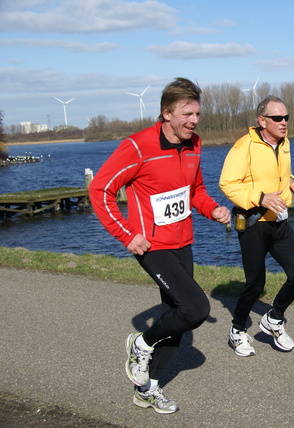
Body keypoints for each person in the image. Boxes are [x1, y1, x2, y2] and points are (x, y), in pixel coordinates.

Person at [88, 77, 230, 414]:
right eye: (187, 113)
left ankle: (147, 388)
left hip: (183, 242)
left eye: (197, 113)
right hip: (151, 245)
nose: (194, 120)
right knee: (196, 309)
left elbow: (195, 189)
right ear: (166, 113)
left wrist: (213, 209)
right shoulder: (137, 147)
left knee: (177, 321)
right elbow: (100, 189)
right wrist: (125, 234)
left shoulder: (193, 144)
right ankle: (141, 343)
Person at [219, 95, 294, 357]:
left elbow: (277, 171)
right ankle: (237, 330)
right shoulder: (243, 146)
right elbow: (228, 183)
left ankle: (273, 319)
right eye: (278, 118)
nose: (284, 123)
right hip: (253, 223)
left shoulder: (283, 143)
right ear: (262, 120)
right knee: (256, 285)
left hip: (279, 221)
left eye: (286, 118)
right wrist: (260, 197)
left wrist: (291, 181)